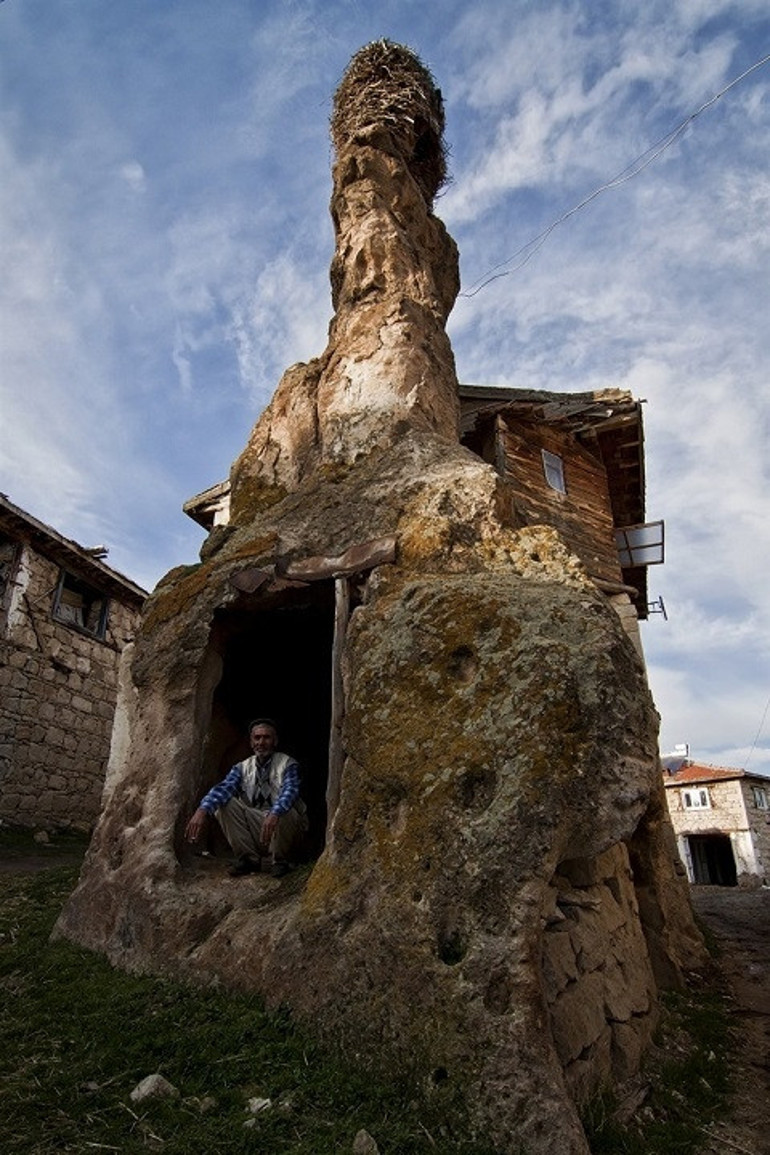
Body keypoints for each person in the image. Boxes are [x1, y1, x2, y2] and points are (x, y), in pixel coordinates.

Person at [185, 718, 308, 878]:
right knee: (224, 805)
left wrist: (275, 813)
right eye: (257, 738)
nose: (261, 742)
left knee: (286, 810)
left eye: (266, 737)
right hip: (258, 825)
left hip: (284, 828)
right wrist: (202, 810)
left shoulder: (288, 764)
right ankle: (249, 859)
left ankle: (279, 861)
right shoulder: (242, 767)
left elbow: (290, 792)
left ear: (275, 741)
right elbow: (223, 789)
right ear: (251, 742)